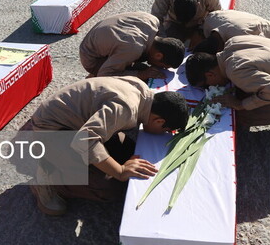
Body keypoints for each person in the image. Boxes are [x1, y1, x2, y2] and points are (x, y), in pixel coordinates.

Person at [29, 76, 189, 214]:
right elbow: (84, 139)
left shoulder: (141, 90)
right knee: (109, 187)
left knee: (129, 150)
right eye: (165, 130)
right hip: (51, 131)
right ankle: (48, 178)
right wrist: (120, 171)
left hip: (77, 124)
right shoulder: (126, 108)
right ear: (159, 121)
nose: (163, 134)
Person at [185, 35, 270, 140]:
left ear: (210, 74)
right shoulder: (232, 43)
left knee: (241, 114)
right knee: (243, 91)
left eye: (206, 85)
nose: (210, 87)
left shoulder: (235, 70)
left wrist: (240, 104)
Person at [79, 12, 185, 81]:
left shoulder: (153, 20)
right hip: (91, 57)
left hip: (101, 39)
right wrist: (142, 74)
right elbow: (104, 74)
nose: (161, 68)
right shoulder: (134, 48)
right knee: (140, 76)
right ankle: (92, 78)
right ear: (158, 55)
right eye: (163, 66)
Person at [150, 0, 222, 40]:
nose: (186, 24)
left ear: (198, 4)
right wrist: (163, 39)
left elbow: (218, 18)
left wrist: (200, 31)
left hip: (199, 24)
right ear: (173, 2)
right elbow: (156, 18)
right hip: (174, 23)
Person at [191, 10, 270, 54]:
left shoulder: (242, 41)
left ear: (219, 51)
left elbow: (262, 53)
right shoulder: (209, 21)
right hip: (249, 24)